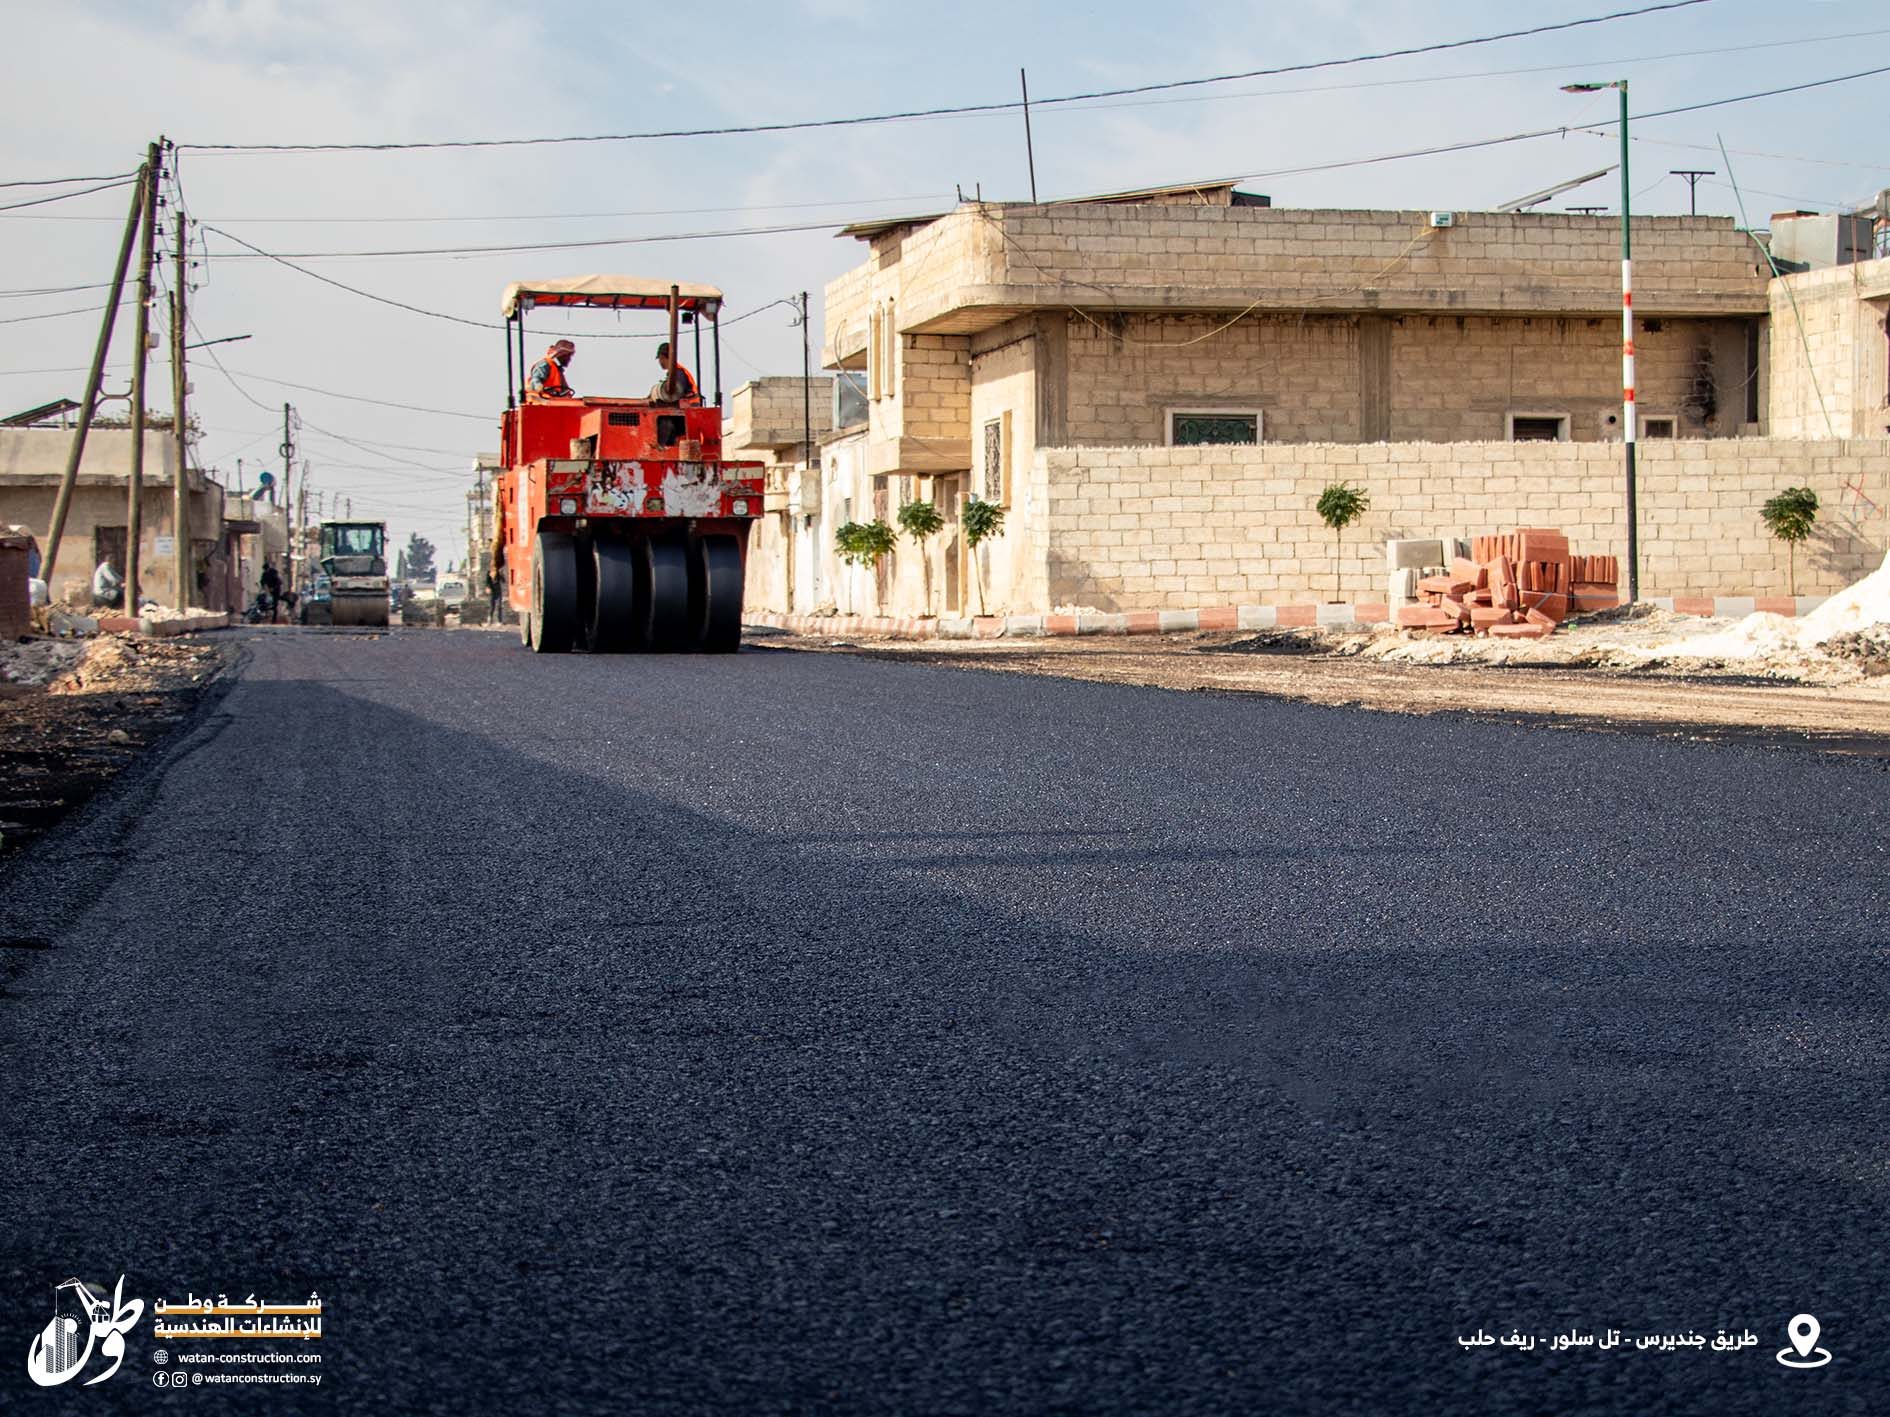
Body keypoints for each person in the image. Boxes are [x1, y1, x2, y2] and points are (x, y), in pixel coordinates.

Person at [259, 558, 283, 623]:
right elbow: (262, 581)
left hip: (276, 590)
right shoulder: (264, 574)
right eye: (265, 570)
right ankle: (265, 615)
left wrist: (274, 588)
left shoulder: (273, 572)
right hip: (269, 590)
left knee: (275, 605)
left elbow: (278, 582)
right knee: (265, 602)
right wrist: (263, 587)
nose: (266, 571)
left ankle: (274, 620)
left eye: (266, 569)